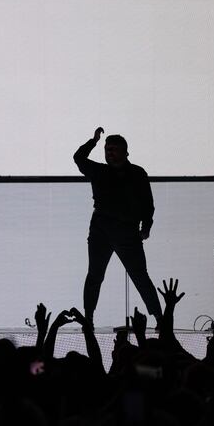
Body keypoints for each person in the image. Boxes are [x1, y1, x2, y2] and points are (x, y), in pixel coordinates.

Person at [74, 127, 162, 328]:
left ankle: (159, 317)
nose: (109, 153)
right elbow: (78, 158)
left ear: (125, 152)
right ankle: (89, 318)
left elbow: (148, 204)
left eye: (113, 149)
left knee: (139, 276)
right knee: (95, 275)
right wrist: (93, 141)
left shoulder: (137, 174)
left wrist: (146, 226)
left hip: (126, 232)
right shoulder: (100, 171)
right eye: (107, 149)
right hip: (102, 231)